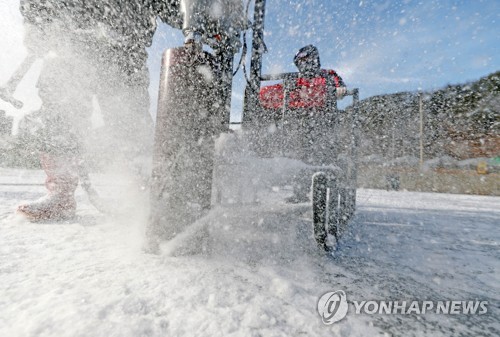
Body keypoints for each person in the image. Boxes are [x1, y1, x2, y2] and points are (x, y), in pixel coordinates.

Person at [14, 0, 180, 221]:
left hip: (124, 48)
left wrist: (203, 17)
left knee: (130, 123)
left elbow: (174, 7)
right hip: (68, 42)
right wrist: (35, 22)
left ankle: (146, 195)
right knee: (60, 115)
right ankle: (60, 194)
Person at [259, 44, 347, 202]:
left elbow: (338, 84)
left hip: (321, 122)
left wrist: (339, 89)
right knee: (298, 154)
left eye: (307, 60)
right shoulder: (295, 81)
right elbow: (275, 90)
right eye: (301, 62)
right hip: (297, 124)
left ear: (314, 60)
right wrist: (259, 94)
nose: (304, 64)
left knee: (315, 155)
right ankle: (297, 190)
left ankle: (316, 194)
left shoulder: (326, 75)